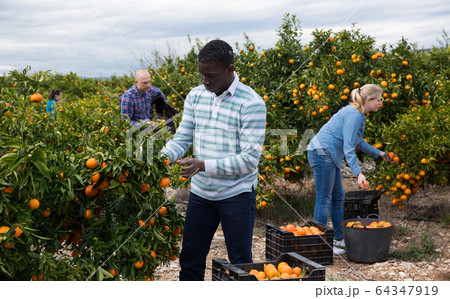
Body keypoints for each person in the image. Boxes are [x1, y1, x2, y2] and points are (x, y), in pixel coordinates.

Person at [160, 39, 267, 281]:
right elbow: (182, 138)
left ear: (229, 70)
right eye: (201, 75)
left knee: (240, 262)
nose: (204, 81)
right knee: (190, 259)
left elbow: (249, 161)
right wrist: (159, 161)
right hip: (202, 195)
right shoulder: (196, 96)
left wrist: (203, 165)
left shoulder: (251, 103)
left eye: (210, 75)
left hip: (236, 195)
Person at [306, 84, 393, 255]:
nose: (380, 103)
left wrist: (380, 153)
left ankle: (338, 240)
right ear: (369, 100)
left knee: (337, 198)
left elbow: (358, 142)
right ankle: (318, 244)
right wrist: (358, 174)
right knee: (324, 198)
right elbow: (348, 148)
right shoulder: (354, 115)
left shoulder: (358, 114)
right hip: (322, 153)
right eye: (378, 100)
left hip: (328, 154)